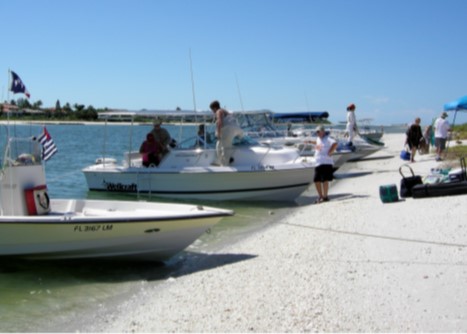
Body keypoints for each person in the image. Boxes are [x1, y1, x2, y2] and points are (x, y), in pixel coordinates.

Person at [309, 125, 338, 203]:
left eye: (319, 131)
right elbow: (318, 144)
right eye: (317, 132)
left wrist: (330, 152)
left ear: (323, 131)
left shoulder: (327, 138)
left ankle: (325, 197)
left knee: (325, 180)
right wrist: (310, 142)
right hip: (318, 162)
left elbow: (335, 144)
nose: (317, 133)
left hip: (326, 162)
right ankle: (320, 196)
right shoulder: (318, 139)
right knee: (316, 180)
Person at [209, 100, 243, 166]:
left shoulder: (218, 111)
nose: (213, 112)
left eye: (212, 110)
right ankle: (219, 161)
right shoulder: (225, 111)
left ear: (214, 108)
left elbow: (219, 122)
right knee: (219, 144)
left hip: (228, 130)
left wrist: (218, 133)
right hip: (237, 129)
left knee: (225, 147)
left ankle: (225, 164)